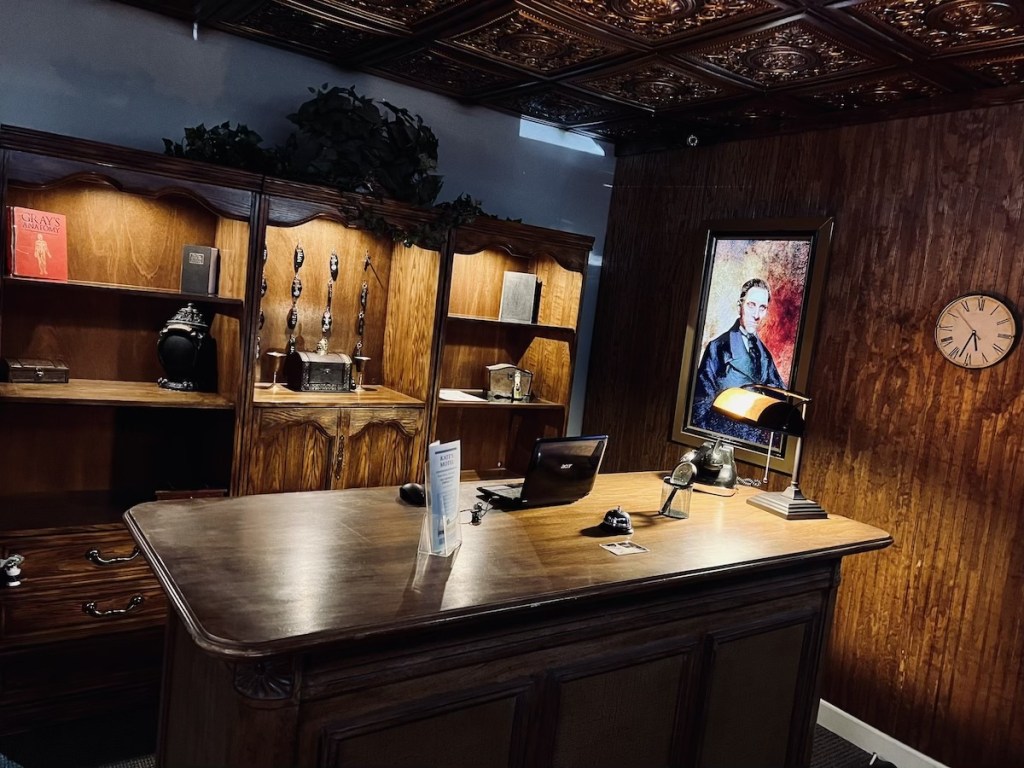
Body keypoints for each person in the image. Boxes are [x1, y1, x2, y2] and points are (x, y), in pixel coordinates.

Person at [691, 277, 785, 443]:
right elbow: (699, 407)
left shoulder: (764, 355)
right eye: (751, 305)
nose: (756, 315)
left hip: (755, 443)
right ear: (739, 306)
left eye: (762, 308)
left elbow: (780, 399)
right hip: (723, 439)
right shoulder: (718, 348)